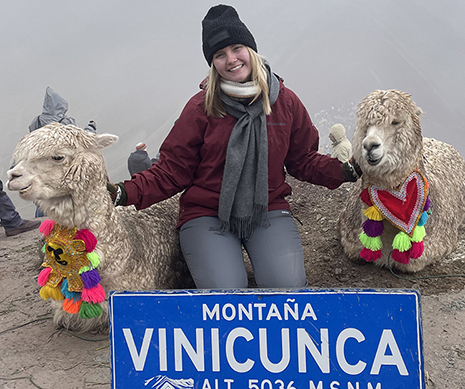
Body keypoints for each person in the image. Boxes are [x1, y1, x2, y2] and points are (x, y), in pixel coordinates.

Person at [108, 4, 361, 289]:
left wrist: (344, 170)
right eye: (219, 54)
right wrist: (124, 192)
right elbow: (172, 170)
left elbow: (302, 159)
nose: (231, 60)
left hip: (267, 209)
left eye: (236, 48)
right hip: (206, 214)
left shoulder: (285, 103)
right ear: (212, 62)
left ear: (251, 49)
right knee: (225, 295)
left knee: (286, 290)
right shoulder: (200, 109)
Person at [29, 86, 97, 217]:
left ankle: (42, 224)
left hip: (40, 169)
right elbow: (80, 140)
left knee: (43, 199)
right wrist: (91, 128)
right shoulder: (64, 122)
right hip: (61, 168)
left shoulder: (36, 122)